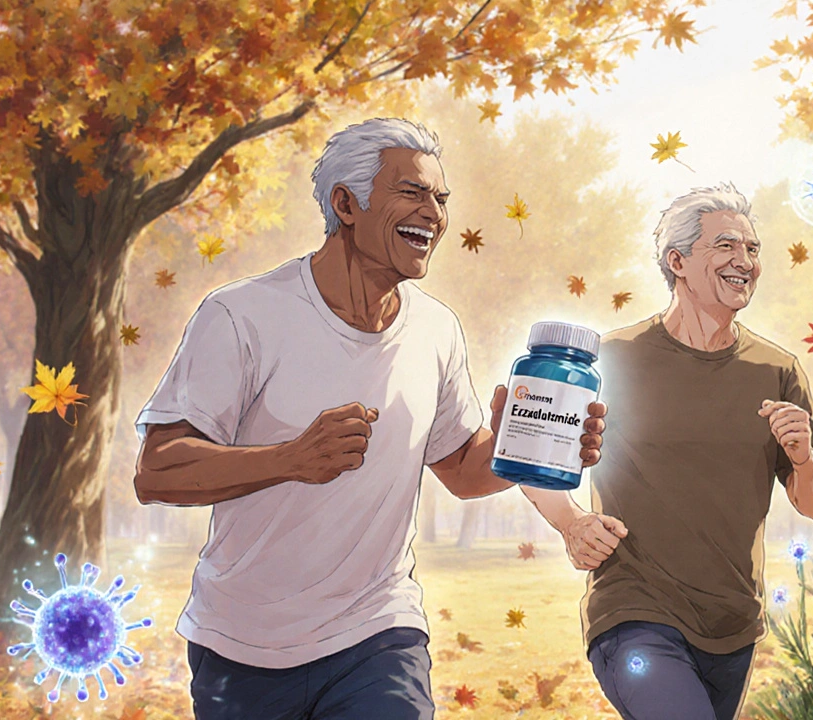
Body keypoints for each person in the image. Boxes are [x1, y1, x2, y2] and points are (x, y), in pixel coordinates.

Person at [132, 118, 606, 719]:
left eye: (441, 198)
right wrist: (290, 460)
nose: (434, 213)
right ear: (345, 204)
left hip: (379, 633)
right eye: (411, 192)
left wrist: (535, 443)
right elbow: (157, 472)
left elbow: (462, 471)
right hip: (243, 643)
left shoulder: (436, 328)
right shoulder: (240, 315)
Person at [524, 183, 813, 720]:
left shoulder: (777, 369)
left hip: (733, 623)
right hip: (633, 609)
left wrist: (804, 458)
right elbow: (531, 452)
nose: (744, 260)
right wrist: (570, 522)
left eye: (752, 249)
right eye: (726, 246)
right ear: (677, 260)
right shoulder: (613, 358)